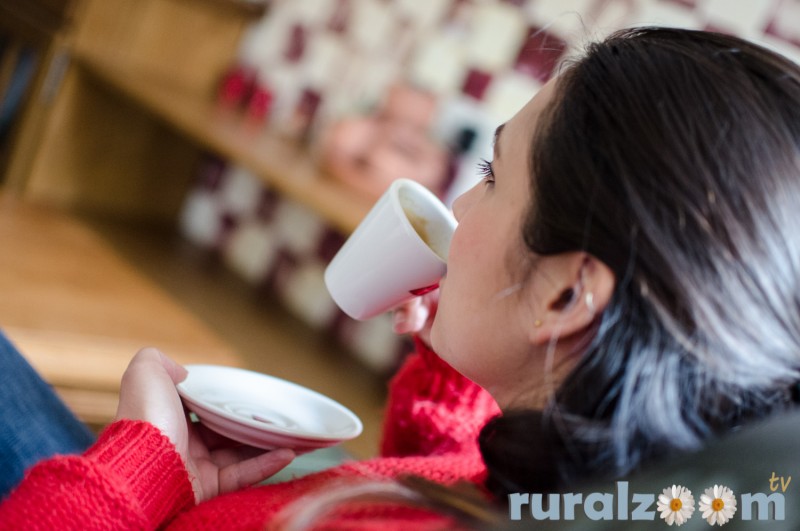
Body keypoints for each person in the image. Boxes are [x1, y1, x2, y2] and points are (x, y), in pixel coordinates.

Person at [2, 26, 800, 528]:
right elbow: (448, 484)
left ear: (564, 295)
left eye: (492, 174)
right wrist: (461, 369)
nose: (462, 201)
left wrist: (134, 469)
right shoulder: (586, 486)